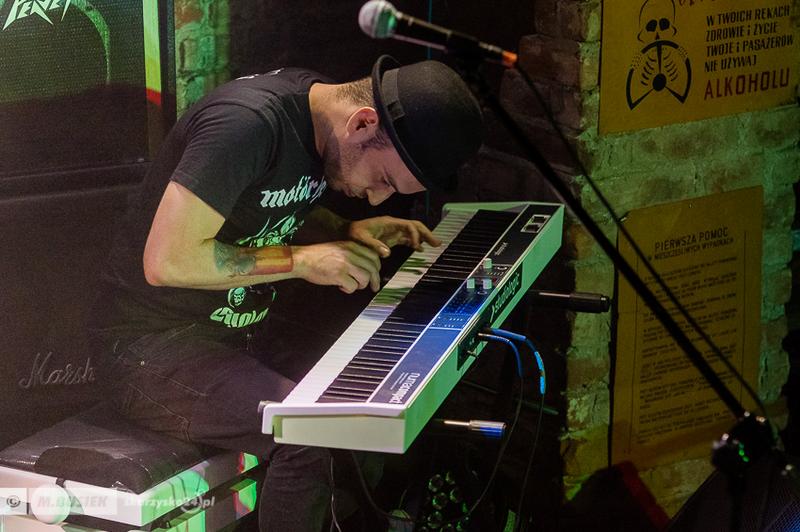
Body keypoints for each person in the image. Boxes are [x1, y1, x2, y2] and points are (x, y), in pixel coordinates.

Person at [91, 55, 483, 531]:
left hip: (234, 337)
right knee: (309, 436)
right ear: (363, 123)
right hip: (146, 348)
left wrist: (342, 228)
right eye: (383, 180)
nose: (378, 196)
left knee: (364, 414)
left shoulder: (322, 120)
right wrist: (302, 261)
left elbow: (265, 202)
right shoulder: (247, 124)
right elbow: (167, 260)